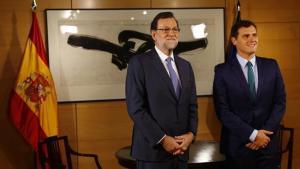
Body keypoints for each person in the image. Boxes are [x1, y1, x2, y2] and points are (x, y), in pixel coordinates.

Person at [125, 12, 198, 169]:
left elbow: (192, 106)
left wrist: (191, 134)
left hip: (181, 152)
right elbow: (136, 108)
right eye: (165, 29)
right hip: (152, 153)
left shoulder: (186, 66)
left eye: (175, 29)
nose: (171, 33)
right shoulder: (139, 63)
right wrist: (163, 139)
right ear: (154, 34)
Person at [213, 20, 286, 169]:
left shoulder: (272, 65)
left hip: (268, 145)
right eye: (246, 36)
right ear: (234, 40)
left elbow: (280, 102)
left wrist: (263, 136)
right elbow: (223, 111)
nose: (252, 39)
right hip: (238, 147)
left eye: (254, 35)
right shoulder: (222, 71)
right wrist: (253, 134)